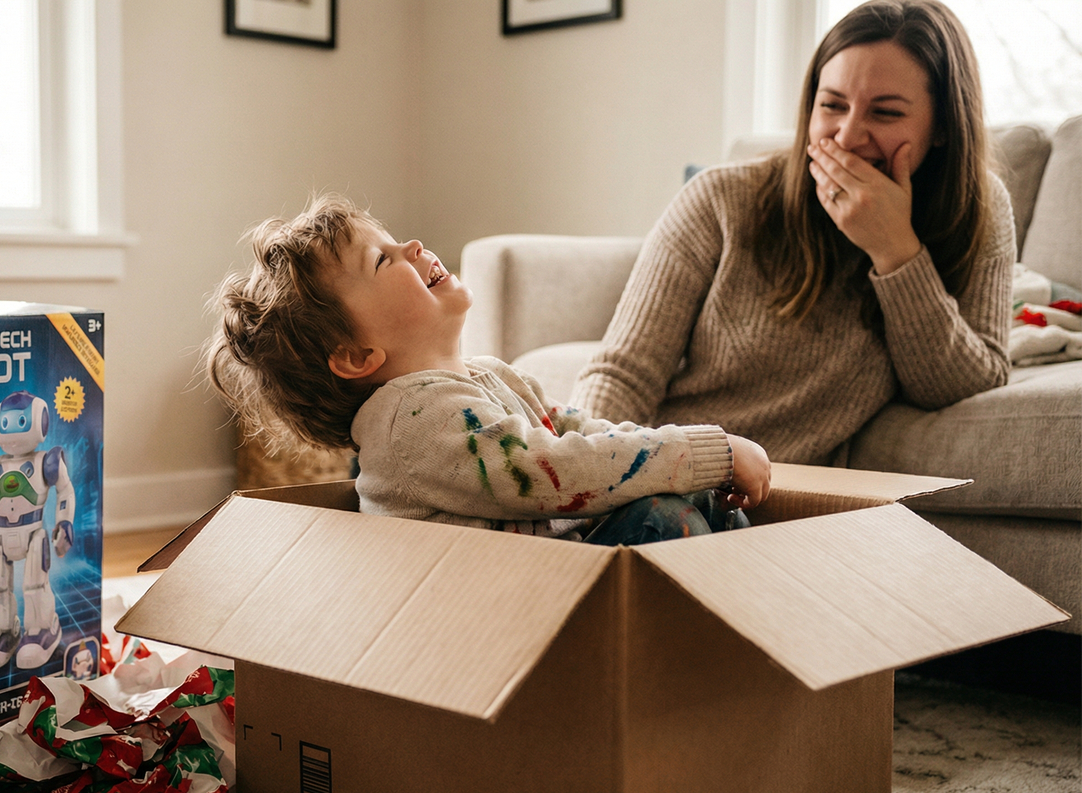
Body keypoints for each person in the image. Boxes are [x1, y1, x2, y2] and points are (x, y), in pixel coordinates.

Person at [572, 0, 1011, 466]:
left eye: (884, 113)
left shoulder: (978, 209)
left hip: (791, 494)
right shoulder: (720, 198)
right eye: (832, 105)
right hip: (674, 473)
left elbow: (963, 384)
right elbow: (622, 374)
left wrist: (895, 252)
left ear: (942, 125)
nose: (847, 137)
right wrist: (583, 473)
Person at [207, 194, 770, 546]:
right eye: (382, 260)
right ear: (357, 355)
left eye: (395, 241)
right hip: (503, 622)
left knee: (693, 494)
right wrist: (704, 452)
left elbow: (582, 432)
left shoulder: (493, 376)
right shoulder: (408, 422)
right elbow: (548, 469)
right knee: (663, 518)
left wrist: (694, 459)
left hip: (552, 583)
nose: (413, 245)